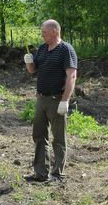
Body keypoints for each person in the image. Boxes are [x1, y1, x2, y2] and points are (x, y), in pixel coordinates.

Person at [23, 19, 78, 183]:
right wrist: (29, 62)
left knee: (58, 138)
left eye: (44, 32)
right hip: (41, 99)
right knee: (39, 135)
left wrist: (65, 100)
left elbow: (72, 76)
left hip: (57, 99)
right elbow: (33, 71)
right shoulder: (42, 49)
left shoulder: (66, 50)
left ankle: (57, 174)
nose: (42, 35)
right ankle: (40, 173)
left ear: (54, 31)